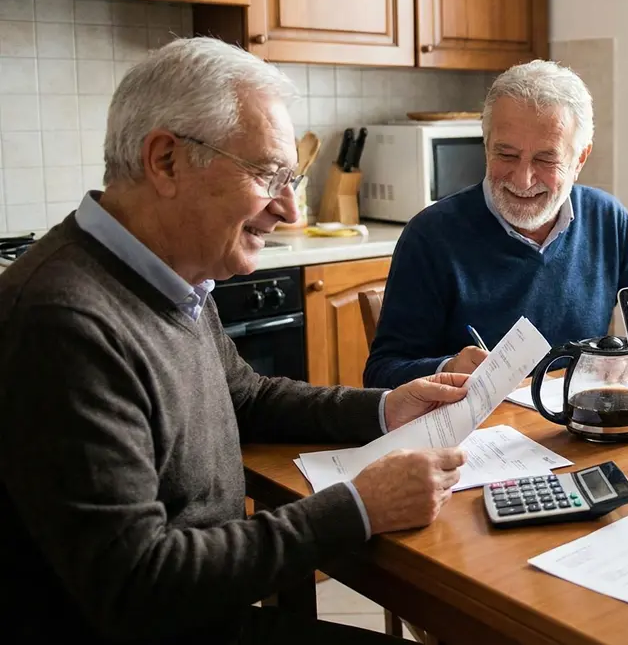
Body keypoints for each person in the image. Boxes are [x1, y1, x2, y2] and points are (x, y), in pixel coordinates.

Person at [0, 38, 471, 644]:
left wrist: (385, 408)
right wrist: (357, 506)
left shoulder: (173, 276)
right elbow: (136, 584)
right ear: (166, 161)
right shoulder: (63, 321)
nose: (290, 210)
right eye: (270, 175)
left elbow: (245, 398)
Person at [364, 61, 628, 387]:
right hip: (477, 433)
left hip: (577, 424)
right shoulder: (429, 236)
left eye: (545, 159)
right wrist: (448, 367)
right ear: (486, 146)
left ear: (579, 159)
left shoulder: (607, 218)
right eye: (506, 155)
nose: (523, 179)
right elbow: (381, 374)